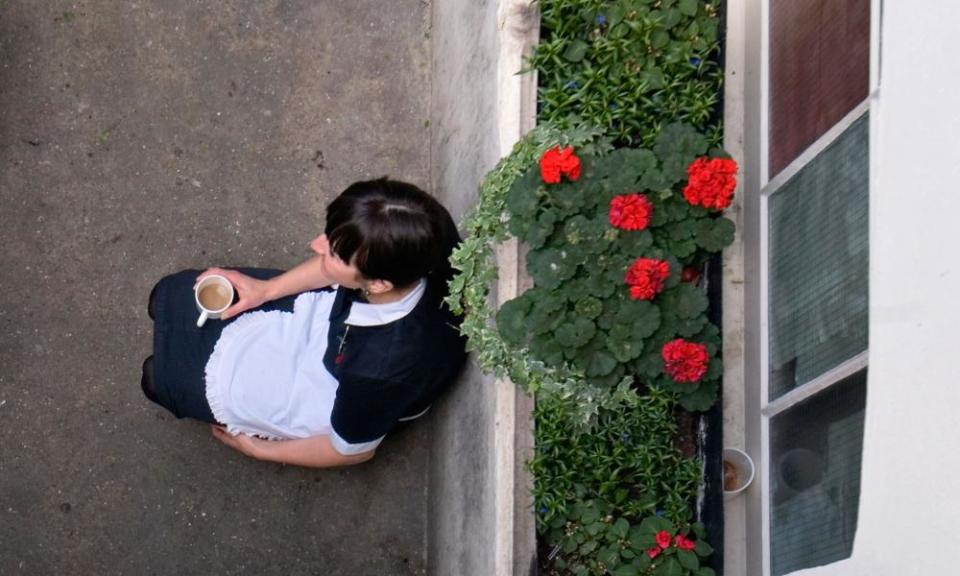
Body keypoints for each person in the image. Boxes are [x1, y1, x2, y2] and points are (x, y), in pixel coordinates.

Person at [141, 178, 467, 468]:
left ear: (379, 284)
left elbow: (350, 449)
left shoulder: (381, 368)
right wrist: (265, 291)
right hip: (338, 323)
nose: (315, 245)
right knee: (168, 296)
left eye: (333, 253)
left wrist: (259, 450)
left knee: (157, 377)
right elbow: (334, 269)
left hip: (342, 388)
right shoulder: (428, 229)